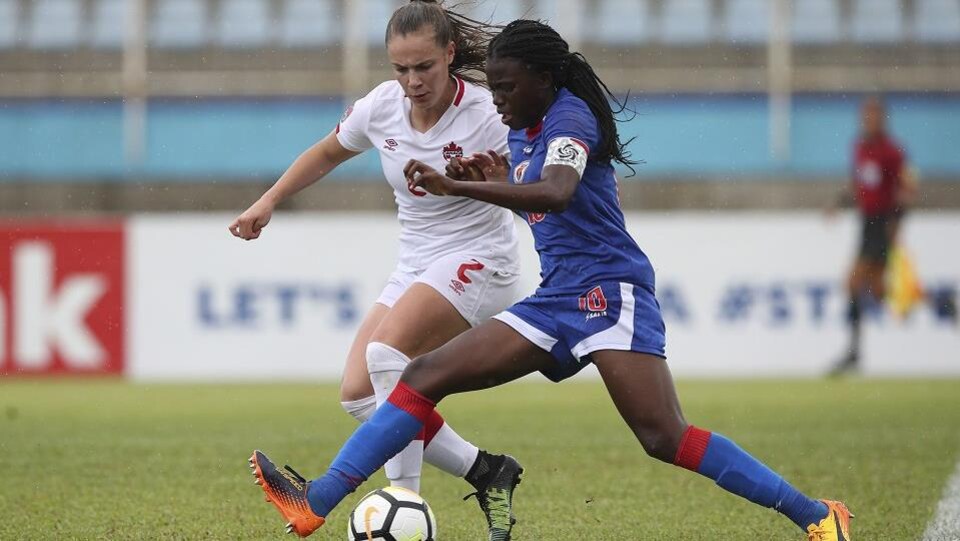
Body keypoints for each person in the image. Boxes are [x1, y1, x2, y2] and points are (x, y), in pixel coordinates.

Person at [248, 20, 852, 541]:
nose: (499, 99)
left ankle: (817, 516)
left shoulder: (570, 118)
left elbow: (559, 193)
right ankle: (317, 500)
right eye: (498, 86)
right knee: (420, 374)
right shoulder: (522, 124)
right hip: (556, 296)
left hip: (610, 293)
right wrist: (495, 171)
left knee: (665, 436)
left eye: (508, 87)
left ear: (544, 79)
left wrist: (462, 185)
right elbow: (535, 190)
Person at [231, 2, 525, 537]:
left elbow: (539, 189)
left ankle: (403, 506)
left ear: (450, 55)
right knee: (359, 394)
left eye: (424, 68)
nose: (412, 82)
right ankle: (489, 471)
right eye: (400, 68)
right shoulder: (381, 107)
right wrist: (268, 201)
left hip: (481, 260)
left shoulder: (488, 113)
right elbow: (326, 152)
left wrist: (502, 178)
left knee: (388, 356)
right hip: (416, 262)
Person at [828, 96, 917, 375]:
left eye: (874, 115)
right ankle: (940, 303)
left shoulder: (893, 152)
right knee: (880, 292)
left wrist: (897, 221)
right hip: (866, 222)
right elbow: (858, 184)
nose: (869, 120)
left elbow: (907, 189)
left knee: (853, 283)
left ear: (883, 119)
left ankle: (853, 352)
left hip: (882, 223)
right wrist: (838, 203)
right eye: (866, 115)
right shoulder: (859, 148)